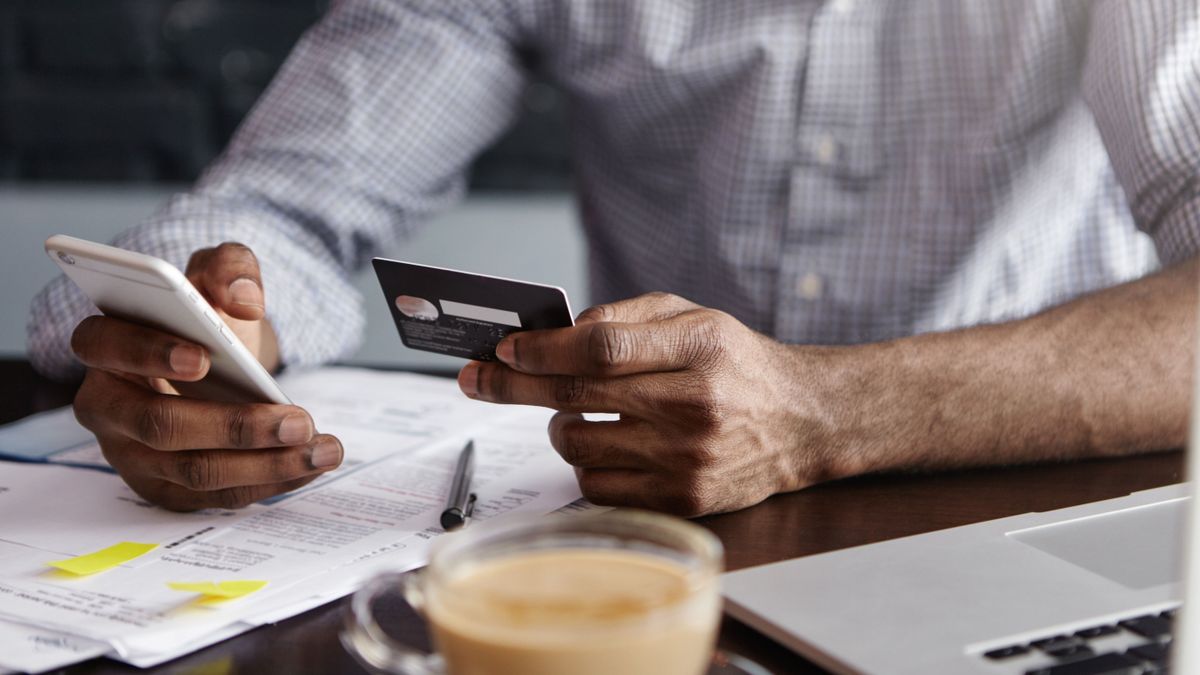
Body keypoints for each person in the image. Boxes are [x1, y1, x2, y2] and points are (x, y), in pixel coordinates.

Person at [28, 1, 1200, 516]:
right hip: (634, 527)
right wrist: (206, 326)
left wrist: (823, 413)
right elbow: (292, 203)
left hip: (1023, 504)